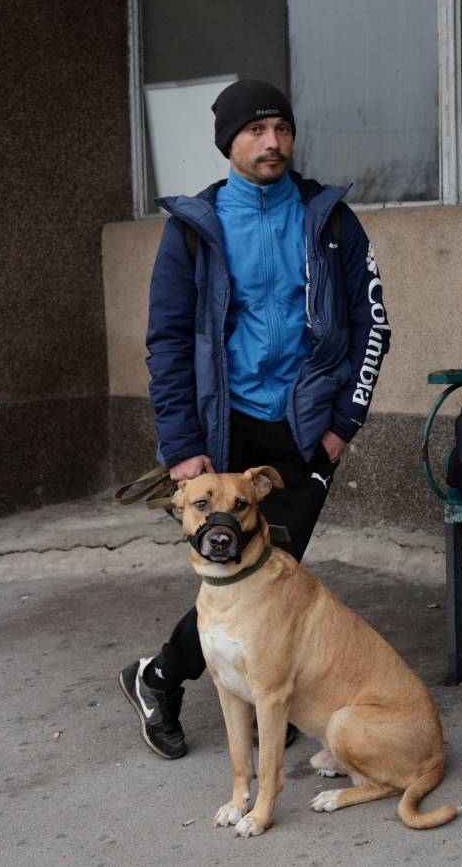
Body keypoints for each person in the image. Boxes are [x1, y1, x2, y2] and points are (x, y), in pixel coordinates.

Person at [119, 79, 391, 759]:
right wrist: (184, 447)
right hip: (225, 432)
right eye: (256, 131)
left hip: (303, 431)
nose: (273, 143)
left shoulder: (330, 219)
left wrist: (341, 426)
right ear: (230, 143)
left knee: (273, 568)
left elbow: (372, 325)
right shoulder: (193, 229)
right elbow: (168, 340)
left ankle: (181, 675)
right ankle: (164, 676)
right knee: (231, 570)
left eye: (283, 129)